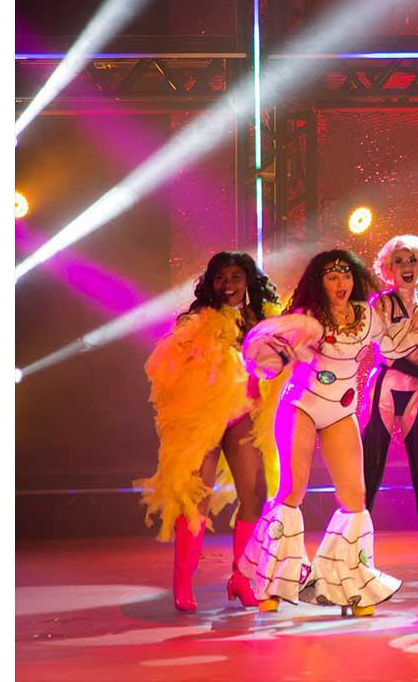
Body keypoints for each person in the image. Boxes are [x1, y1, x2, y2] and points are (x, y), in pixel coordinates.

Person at [240, 250, 402, 615]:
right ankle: (270, 583)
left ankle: (349, 587)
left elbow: (392, 348)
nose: (341, 283)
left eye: (346, 275)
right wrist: (280, 353)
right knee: (292, 491)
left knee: (355, 496)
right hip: (301, 406)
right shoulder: (307, 319)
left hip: (341, 411)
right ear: (320, 283)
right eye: (332, 277)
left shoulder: (368, 317)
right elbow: (265, 361)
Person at [135, 252, 285, 611]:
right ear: (210, 282)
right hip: (204, 417)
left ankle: (241, 578)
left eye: (236, 277)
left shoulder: (263, 320)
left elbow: (282, 364)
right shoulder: (197, 320)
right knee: (195, 496)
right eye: (221, 278)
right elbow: (169, 369)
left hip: (244, 413)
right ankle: (183, 582)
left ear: (248, 281)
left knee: (255, 493)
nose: (228, 285)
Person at [363, 233, 418, 593]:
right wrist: (415, 326)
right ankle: (356, 558)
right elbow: (387, 347)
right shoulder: (380, 303)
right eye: (399, 261)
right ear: (388, 267)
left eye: (412, 260)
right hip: (384, 390)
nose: (406, 267)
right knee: (369, 477)